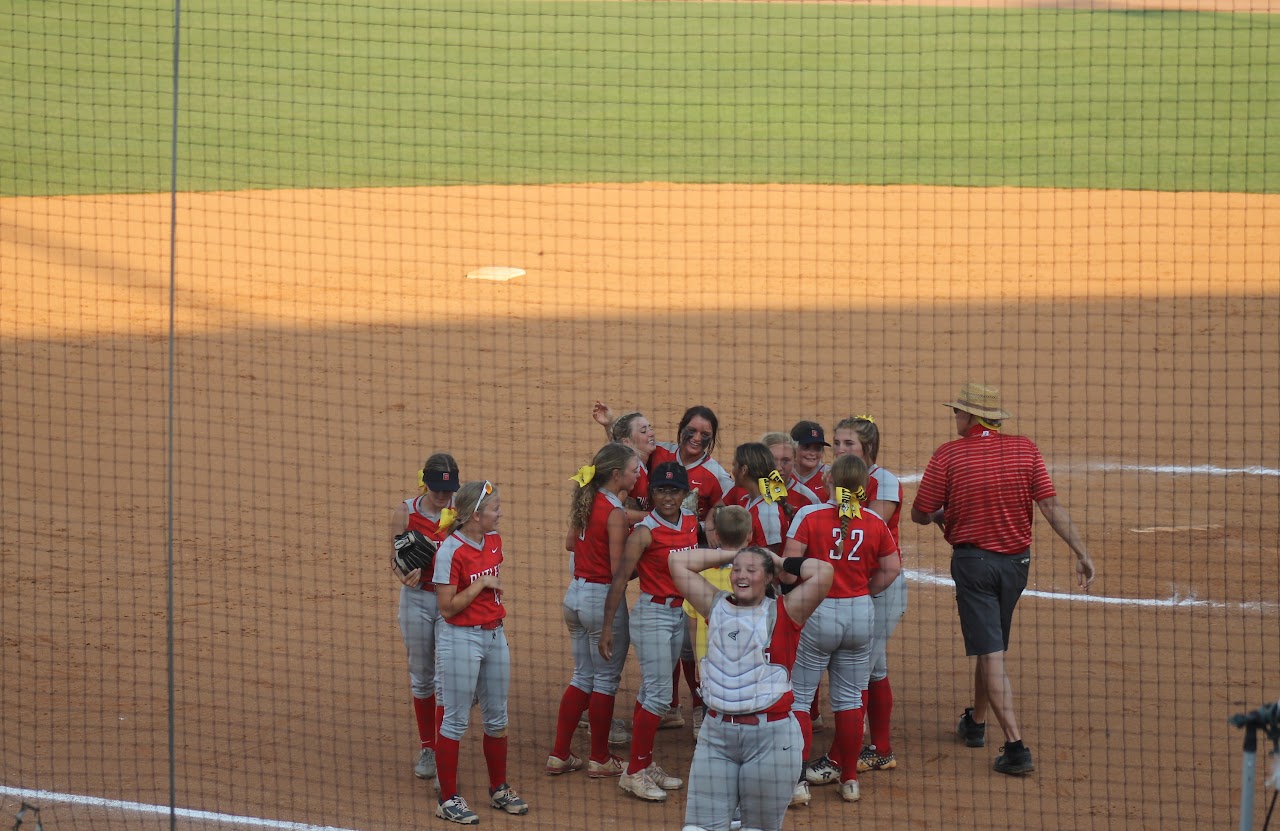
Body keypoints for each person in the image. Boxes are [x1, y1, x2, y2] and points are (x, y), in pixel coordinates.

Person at [911, 382, 1097, 776]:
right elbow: (1049, 505)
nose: (955, 416)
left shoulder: (948, 455)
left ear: (972, 417)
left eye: (958, 411)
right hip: (1016, 567)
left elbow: (921, 511)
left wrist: (941, 516)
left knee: (991, 652)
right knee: (989, 643)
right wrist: (1081, 552)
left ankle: (1015, 747)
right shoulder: (1024, 449)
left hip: (974, 566)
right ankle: (976, 724)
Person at [670, 545, 833, 831]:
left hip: (770, 739)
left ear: (769, 577)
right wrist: (732, 553)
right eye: (736, 570)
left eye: (751, 570)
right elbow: (677, 561)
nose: (740, 576)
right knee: (698, 828)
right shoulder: (714, 604)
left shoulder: (787, 610)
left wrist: (780, 560)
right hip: (716, 737)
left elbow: (824, 571)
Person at [785, 455, 901, 805]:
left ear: (830, 480)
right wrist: (866, 590)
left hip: (818, 611)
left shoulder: (811, 515)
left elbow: (789, 570)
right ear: (864, 487)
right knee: (851, 700)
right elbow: (891, 569)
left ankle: (797, 782)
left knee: (801, 699)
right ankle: (849, 780)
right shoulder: (874, 521)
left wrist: (797, 594)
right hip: (860, 612)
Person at [599, 462, 699, 802]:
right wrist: (607, 627)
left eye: (673, 490)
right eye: (660, 490)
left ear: (684, 494)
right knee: (658, 695)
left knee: (651, 691)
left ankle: (643, 762)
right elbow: (619, 580)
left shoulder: (691, 524)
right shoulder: (644, 531)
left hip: (678, 615)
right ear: (652, 493)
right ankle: (633, 773)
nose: (667, 497)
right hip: (652, 615)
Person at [432, 480, 529, 824]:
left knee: (498, 717)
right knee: (456, 719)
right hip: (460, 639)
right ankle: (447, 799)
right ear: (475, 516)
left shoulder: (494, 540)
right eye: (494, 509)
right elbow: (447, 608)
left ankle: (499, 788)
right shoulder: (450, 551)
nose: (499, 513)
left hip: (494, 636)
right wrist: (481, 584)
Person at [546, 443, 641, 778]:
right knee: (604, 679)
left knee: (582, 675)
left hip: (575, 597)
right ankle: (600, 757)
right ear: (617, 475)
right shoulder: (614, 513)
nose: (637, 474)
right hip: (602, 602)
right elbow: (620, 573)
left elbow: (572, 543)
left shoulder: (588, 500)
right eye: (633, 469)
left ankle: (560, 753)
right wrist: (646, 561)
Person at [831, 415, 906, 774]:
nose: (841, 450)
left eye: (849, 444)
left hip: (879, 587)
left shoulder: (884, 482)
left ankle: (843, 756)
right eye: (838, 444)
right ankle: (880, 748)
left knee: (859, 671)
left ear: (868, 448)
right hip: (857, 588)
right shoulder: (840, 481)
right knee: (875, 669)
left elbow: (867, 531)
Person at [389, 452, 461, 782]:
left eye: (449, 490)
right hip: (416, 600)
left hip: (450, 602)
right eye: (438, 491)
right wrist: (402, 574)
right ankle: (428, 746)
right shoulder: (405, 511)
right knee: (421, 674)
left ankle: (445, 750)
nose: (444, 497)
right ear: (425, 485)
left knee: (447, 679)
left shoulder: (462, 510)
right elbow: (394, 559)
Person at [683, 505, 754, 741]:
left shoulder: (701, 576)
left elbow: (692, 623)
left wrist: (696, 659)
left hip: (710, 664)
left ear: (715, 536)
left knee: (712, 720)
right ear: (749, 536)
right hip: (747, 666)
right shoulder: (755, 577)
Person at [729, 442, 793, 554]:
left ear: (744, 470)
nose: (733, 471)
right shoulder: (748, 500)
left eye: (734, 466)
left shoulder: (768, 511)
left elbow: (770, 557)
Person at [788, 421, 830, 506]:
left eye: (817, 448)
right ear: (793, 447)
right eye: (806, 447)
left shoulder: (830, 475)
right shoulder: (784, 474)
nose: (812, 453)